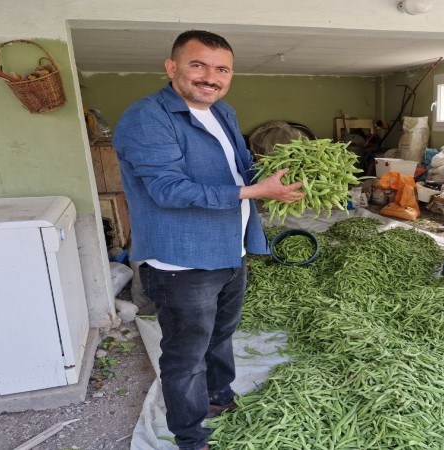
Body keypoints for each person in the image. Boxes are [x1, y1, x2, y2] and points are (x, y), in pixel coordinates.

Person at [112, 30, 304, 450]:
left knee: (220, 335)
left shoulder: (223, 112)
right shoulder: (147, 117)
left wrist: (280, 179)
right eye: (197, 65)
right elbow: (168, 189)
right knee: (186, 354)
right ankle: (191, 435)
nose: (210, 77)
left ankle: (218, 397)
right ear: (172, 67)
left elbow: (240, 168)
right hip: (182, 260)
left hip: (230, 249)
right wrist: (254, 191)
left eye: (222, 69)